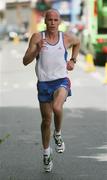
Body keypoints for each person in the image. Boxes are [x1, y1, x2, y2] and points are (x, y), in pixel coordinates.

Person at [23, 9, 80, 172]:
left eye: (56, 20)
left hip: (61, 80)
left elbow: (78, 43)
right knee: (46, 121)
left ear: (59, 22)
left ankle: (58, 134)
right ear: (45, 21)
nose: (53, 23)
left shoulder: (66, 38)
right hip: (43, 84)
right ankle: (46, 153)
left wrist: (73, 60)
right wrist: (36, 50)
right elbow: (25, 61)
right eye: (50, 20)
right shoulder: (37, 38)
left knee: (57, 107)